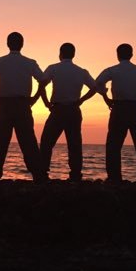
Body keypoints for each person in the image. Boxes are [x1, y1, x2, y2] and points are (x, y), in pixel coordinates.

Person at [0, 32, 45, 183]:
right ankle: (38, 175)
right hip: (22, 105)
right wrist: (35, 98)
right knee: (28, 141)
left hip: (5, 105)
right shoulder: (30, 63)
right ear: (22, 44)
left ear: (7, 44)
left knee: (0, 141)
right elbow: (43, 80)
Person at [96, 43, 136, 185]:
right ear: (131, 55)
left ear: (117, 55)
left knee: (113, 145)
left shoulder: (112, 70)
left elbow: (98, 83)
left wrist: (106, 98)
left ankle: (114, 178)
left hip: (119, 109)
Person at [40, 43, 96, 182]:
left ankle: (42, 172)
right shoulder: (81, 71)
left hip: (57, 110)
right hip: (73, 110)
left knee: (47, 141)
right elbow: (95, 88)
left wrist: (46, 102)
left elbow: (42, 84)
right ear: (73, 54)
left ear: (60, 54)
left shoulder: (53, 68)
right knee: (74, 143)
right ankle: (75, 174)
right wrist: (81, 100)